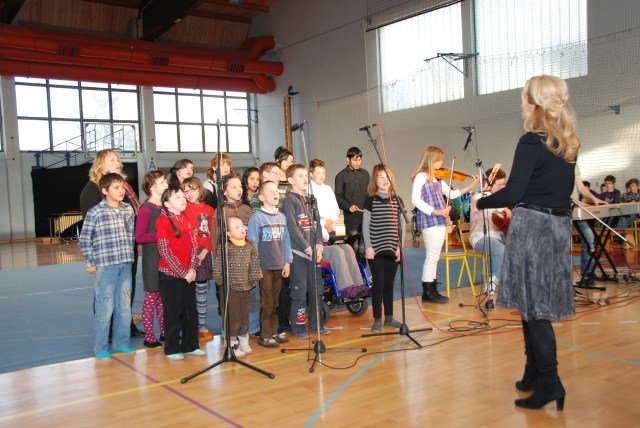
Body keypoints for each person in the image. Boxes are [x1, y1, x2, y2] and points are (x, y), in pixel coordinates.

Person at [477, 75, 580, 410]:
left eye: (525, 99)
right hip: (557, 227)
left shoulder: (530, 142)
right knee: (530, 303)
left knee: (534, 309)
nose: (521, 105)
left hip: (533, 227)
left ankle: (550, 382)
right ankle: (533, 372)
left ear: (535, 104)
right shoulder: (566, 144)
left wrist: (481, 201)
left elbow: (514, 192)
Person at [79, 149, 144, 338]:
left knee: (126, 290)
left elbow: (133, 215)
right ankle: (106, 331)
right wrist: (91, 258)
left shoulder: (124, 187)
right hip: (107, 250)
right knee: (105, 293)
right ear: (100, 165)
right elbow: (91, 227)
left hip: (126, 247)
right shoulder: (92, 189)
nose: (117, 162)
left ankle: (125, 326)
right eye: (112, 160)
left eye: (117, 160)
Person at [411, 146, 479, 304]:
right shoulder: (421, 177)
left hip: (440, 220)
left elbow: (452, 194)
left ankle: (432, 290)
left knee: (434, 257)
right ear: (431, 159)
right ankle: (428, 292)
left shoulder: (437, 178)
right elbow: (415, 200)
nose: (442, 163)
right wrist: (437, 211)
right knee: (432, 257)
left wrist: (471, 186)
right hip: (430, 220)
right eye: (439, 160)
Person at [79, 173, 136, 359]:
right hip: (106, 267)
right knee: (105, 308)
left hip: (125, 266)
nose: (121, 191)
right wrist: (90, 262)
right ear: (105, 191)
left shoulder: (128, 209)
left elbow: (131, 235)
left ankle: (121, 343)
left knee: (124, 307)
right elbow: (85, 239)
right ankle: (101, 346)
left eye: (122, 187)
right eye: (116, 188)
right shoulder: (95, 212)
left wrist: (130, 254)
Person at [156, 187, 206, 360]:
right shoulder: (163, 221)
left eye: (182, 196)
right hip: (170, 275)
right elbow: (165, 251)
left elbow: (194, 246)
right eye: (177, 197)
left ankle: (190, 345)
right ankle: (172, 348)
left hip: (188, 274)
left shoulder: (185, 218)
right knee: (173, 313)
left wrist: (192, 268)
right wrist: (183, 272)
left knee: (190, 312)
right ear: (167, 203)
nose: (183, 199)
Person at [309, 159, 367, 297]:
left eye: (323, 173)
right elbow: (312, 212)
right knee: (337, 252)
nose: (322, 176)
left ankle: (359, 284)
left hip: (330, 227)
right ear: (311, 174)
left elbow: (335, 208)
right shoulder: (308, 190)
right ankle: (346, 287)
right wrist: (324, 222)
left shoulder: (328, 189)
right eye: (318, 173)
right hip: (318, 231)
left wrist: (331, 221)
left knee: (347, 248)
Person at [282, 164, 327, 338]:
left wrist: (319, 246)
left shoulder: (311, 199)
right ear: (290, 180)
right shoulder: (290, 200)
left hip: (314, 254)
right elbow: (293, 228)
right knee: (299, 293)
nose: (304, 178)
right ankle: (299, 328)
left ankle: (317, 325)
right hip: (299, 255)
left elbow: (317, 225)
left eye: (305, 175)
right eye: (299, 176)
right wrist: (307, 248)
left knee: (317, 291)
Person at [247, 181, 293, 348]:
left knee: (275, 301)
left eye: (276, 191)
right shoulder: (257, 218)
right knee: (267, 302)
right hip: (264, 267)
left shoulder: (282, 217)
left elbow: (286, 241)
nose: (275, 194)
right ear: (261, 197)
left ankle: (274, 331)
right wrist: (255, 266)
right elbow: (252, 243)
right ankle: (265, 335)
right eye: (271, 191)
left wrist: (287, 262)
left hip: (279, 265)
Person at [212, 216, 262, 357]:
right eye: (237, 227)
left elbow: (254, 264)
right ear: (228, 233)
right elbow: (219, 266)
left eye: (242, 226)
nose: (242, 229)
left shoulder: (250, 245)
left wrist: (253, 279)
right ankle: (232, 343)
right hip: (230, 288)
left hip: (245, 286)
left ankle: (244, 340)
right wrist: (221, 282)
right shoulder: (225, 246)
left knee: (244, 315)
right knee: (232, 316)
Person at [363, 164, 404, 331]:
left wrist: (400, 248)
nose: (385, 180)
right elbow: (365, 226)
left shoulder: (398, 200)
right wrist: (368, 247)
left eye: (388, 177)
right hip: (376, 250)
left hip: (392, 249)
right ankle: (377, 318)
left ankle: (389, 318)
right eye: (380, 177)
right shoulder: (370, 201)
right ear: (375, 180)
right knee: (378, 284)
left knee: (389, 284)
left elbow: (401, 227)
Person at [135, 170, 168, 348]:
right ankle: (149, 336)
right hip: (152, 260)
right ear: (152, 187)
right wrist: (161, 234)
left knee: (163, 299)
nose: (166, 184)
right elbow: (139, 236)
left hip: (165, 258)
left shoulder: (165, 207)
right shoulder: (146, 209)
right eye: (162, 182)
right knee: (151, 298)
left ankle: (164, 332)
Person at [181, 177, 215, 340]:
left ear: (200, 189)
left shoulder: (208, 209)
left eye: (192, 189)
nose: (189, 193)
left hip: (203, 253)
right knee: (187, 293)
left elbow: (211, 234)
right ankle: (189, 325)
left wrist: (204, 252)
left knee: (201, 292)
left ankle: (202, 325)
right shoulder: (182, 208)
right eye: (185, 191)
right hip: (186, 252)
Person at [469, 169, 509, 294]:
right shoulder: (478, 197)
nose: (503, 187)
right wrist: (504, 211)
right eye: (499, 184)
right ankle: (492, 282)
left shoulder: (501, 198)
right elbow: (487, 206)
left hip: (499, 235)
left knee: (521, 247)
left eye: (504, 184)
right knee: (500, 250)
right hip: (480, 237)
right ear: (490, 183)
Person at [334, 147, 370, 260]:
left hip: (365, 218)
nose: (357, 163)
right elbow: (338, 196)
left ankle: (362, 270)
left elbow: (369, 193)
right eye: (355, 160)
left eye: (359, 160)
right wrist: (348, 206)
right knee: (352, 249)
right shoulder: (341, 176)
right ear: (348, 159)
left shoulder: (365, 174)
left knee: (363, 249)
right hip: (351, 219)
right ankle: (353, 270)